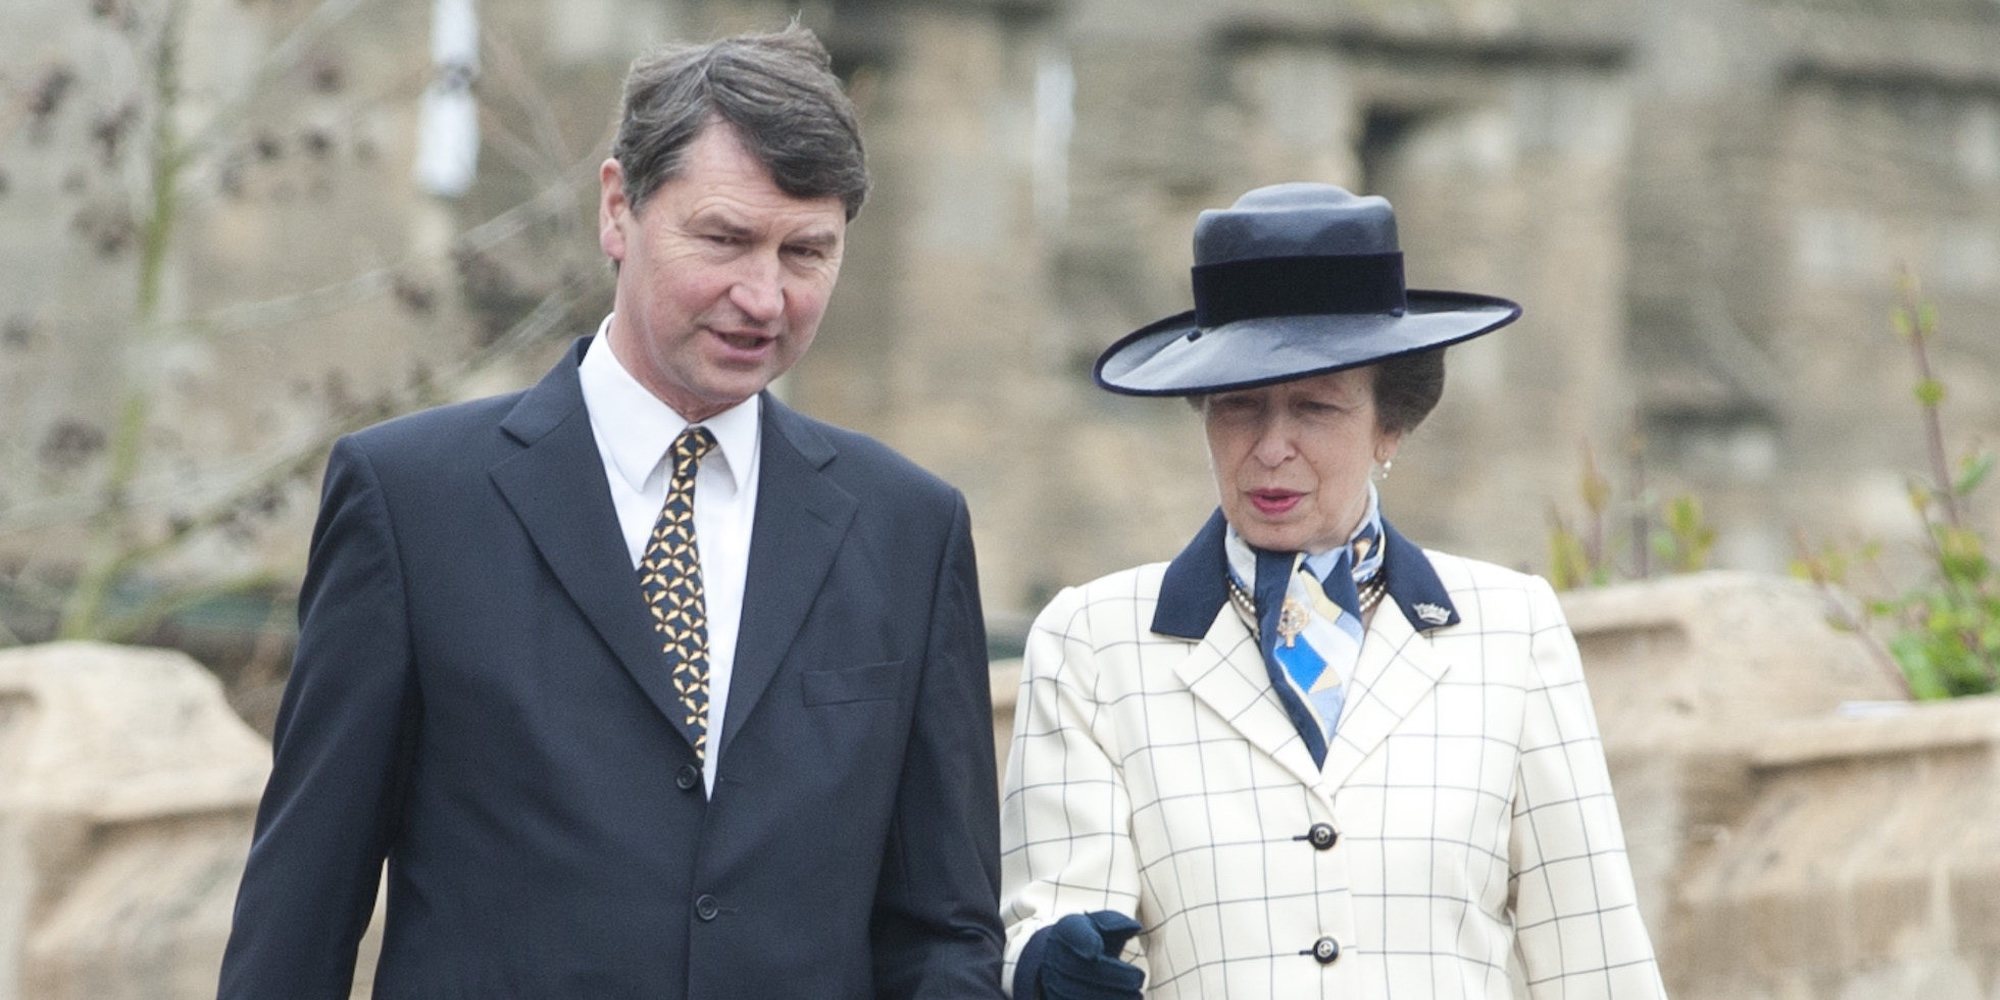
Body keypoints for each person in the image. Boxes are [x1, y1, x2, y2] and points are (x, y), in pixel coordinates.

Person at [219, 25, 1004, 999]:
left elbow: (942, 932)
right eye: (722, 239)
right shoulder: (411, 503)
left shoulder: (910, 530)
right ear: (616, 209)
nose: (762, 296)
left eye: (806, 251)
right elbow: (301, 911)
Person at [999, 183, 1666, 998]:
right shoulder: (1093, 642)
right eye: (1239, 406)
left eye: (1315, 408)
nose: (1271, 448)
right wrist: (1052, 962)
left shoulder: (1513, 630)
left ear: (1391, 423)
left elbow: (1593, 957)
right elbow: (1058, 911)